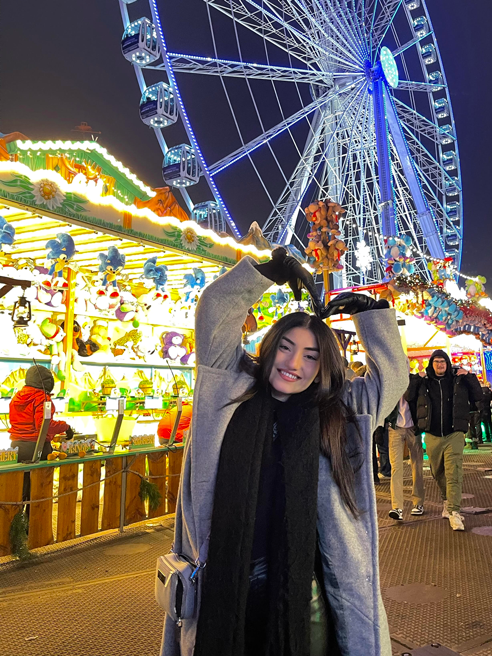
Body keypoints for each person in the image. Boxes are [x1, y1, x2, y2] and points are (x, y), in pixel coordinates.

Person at [159, 246, 408, 656]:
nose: (294, 363)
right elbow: (214, 313)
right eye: (287, 347)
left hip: (305, 592)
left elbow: (392, 380)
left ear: (323, 365)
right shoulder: (229, 388)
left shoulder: (337, 413)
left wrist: (371, 312)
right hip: (226, 579)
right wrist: (267, 271)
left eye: (311, 356)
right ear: (270, 346)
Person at [407, 350, 482, 531]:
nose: (440, 364)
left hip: (454, 433)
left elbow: (479, 395)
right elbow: (409, 397)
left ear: (448, 363)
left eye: (443, 361)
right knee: (437, 471)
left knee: (453, 471)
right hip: (432, 434)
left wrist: (470, 376)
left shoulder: (458, 379)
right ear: (431, 363)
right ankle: (447, 500)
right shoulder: (424, 382)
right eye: (436, 361)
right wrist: (417, 378)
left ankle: (454, 512)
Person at [9, 365, 73, 501]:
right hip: (36, 447)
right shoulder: (42, 398)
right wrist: (65, 427)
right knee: (38, 492)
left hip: (17, 447)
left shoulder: (17, 397)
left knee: (19, 490)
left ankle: (18, 521)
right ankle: (34, 522)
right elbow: (44, 425)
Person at [386, 388, 424, 521]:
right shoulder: (392, 382)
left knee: (417, 466)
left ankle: (418, 502)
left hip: (414, 427)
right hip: (395, 428)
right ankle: (397, 507)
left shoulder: (414, 382)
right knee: (396, 467)